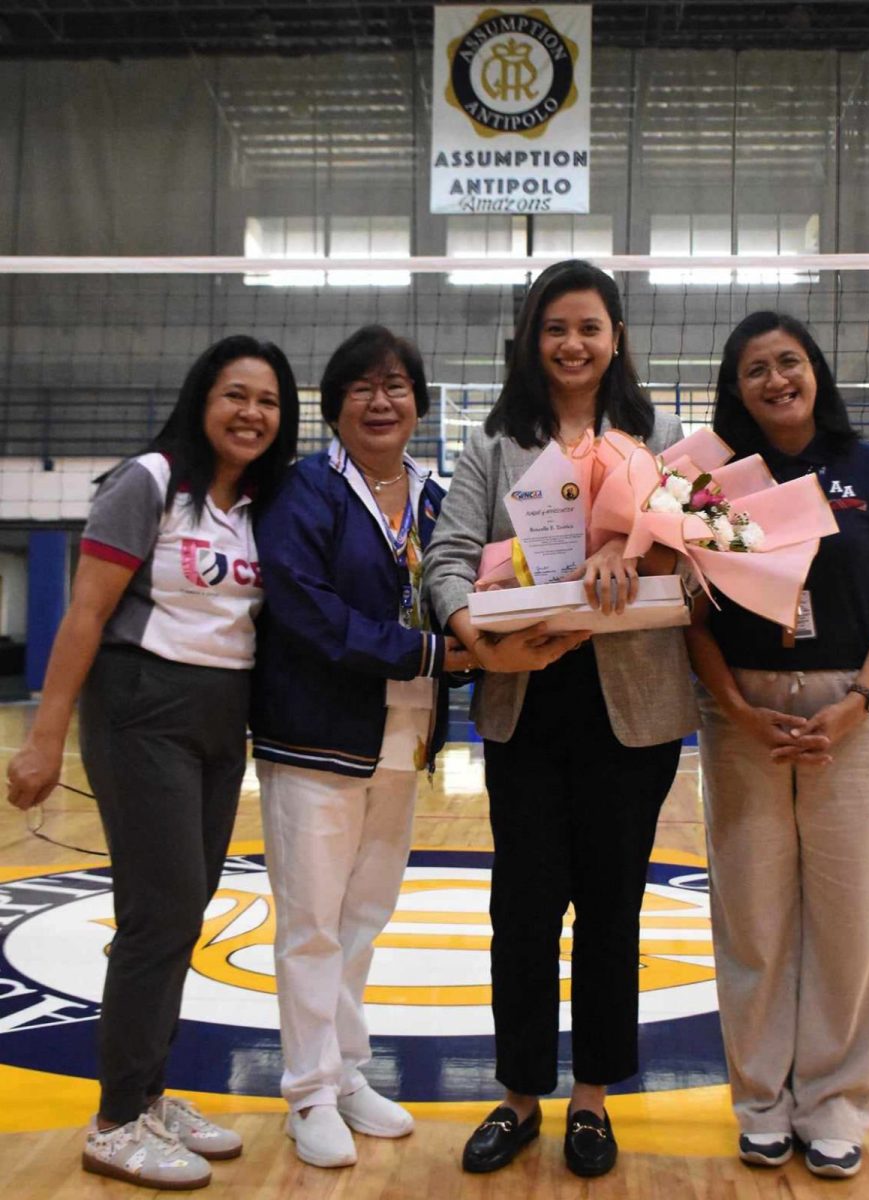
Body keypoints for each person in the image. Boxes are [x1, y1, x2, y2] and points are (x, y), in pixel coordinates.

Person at [5, 335, 300, 1190]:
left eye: (269, 402)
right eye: (236, 395)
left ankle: (149, 1096)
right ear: (201, 399)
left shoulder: (258, 504)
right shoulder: (148, 482)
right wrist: (43, 738)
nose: (251, 413)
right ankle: (114, 1120)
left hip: (222, 716)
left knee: (184, 910)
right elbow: (85, 615)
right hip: (141, 709)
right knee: (159, 912)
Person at [424, 260, 698, 1178]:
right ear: (530, 341)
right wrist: (474, 635)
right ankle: (518, 1097)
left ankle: (592, 1101)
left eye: (589, 326)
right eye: (555, 327)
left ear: (617, 338)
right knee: (524, 908)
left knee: (612, 908)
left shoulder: (661, 440)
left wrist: (635, 547)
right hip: (525, 700)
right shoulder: (493, 446)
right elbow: (448, 557)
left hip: (633, 711)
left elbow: (695, 557)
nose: (572, 343)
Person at [685, 311, 869, 1179]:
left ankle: (835, 1104)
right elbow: (693, 619)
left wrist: (860, 702)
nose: (776, 379)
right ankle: (761, 1102)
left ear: (816, 371)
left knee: (852, 915)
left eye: (789, 362)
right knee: (752, 912)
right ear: (736, 389)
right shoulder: (713, 484)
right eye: (755, 369)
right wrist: (736, 708)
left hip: (853, 710)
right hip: (743, 715)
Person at [250, 324, 475, 1170]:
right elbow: (308, 614)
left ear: (418, 401)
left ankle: (345, 1072)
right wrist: (428, 652)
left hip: (404, 732)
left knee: (363, 916)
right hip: (314, 733)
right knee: (311, 922)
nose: (381, 401)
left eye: (396, 386)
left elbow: (465, 591)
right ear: (334, 405)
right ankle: (307, 1093)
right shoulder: (302, 490)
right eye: (362, 387)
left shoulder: (436, 498)